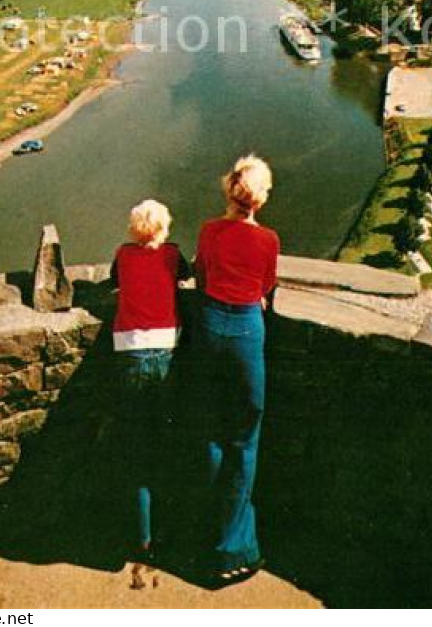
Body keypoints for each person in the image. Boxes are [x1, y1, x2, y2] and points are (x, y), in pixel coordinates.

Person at [194, 154, 280, 586]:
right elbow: (265, 287)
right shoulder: (268, 240)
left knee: (211, 431)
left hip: (210, 325)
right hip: (246, 331)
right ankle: (234, 548)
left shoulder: (209, 231)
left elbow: (201, 275)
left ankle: (206, 533)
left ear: (228, 190)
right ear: (259, 200)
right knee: (244, 438)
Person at [112, 198, 189, 561]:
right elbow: (186, 278)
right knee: (165, 441)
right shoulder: (172, 255)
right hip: (165, 354)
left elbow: (114, 281)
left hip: (129, 353)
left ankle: (141, 537)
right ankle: (167, 528)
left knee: (137, 446)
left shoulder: (123, 255)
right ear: (163, 228)